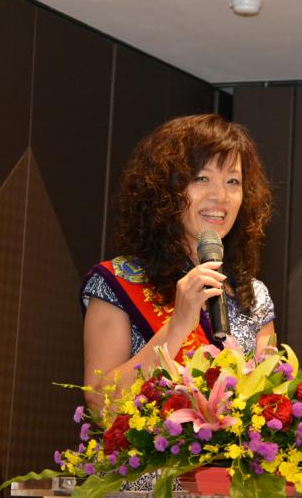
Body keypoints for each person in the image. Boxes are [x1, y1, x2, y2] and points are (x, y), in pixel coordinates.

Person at [80, 114, 275, 414]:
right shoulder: (117, 283)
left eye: (233, 181)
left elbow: (270, 404)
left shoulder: (254, 296)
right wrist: (177, 327)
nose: (220, 196)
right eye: (201, 178)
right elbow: (100, 404)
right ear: (165, 190)